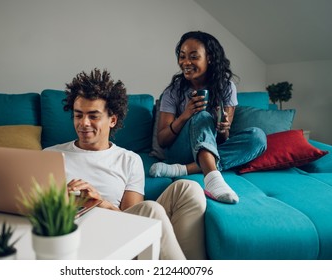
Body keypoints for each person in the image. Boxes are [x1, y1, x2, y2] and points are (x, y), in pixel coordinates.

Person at [45, 68, 207, 260]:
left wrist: (98, 202)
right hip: (81, 238)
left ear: (112, 120)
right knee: (151, 210)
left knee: (188, 188)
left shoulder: (129, 160)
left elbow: (131, 220)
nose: (84, 123)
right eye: (78, 115)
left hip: (121, 234)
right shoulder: (50, 156)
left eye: (93, 116)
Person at [149, 31, 267, 204]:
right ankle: (212, 179)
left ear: (209, 58)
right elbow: (162, 140)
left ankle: (183, 170)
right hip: (180, 151)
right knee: (202, 116)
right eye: (182, 56)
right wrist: (186, 115)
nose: (186, 62)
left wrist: (223, 129)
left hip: (211, 150)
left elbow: (223, 139)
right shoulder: (172, 92)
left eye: (193, 56)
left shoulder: (226, 87)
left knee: (258, 137)